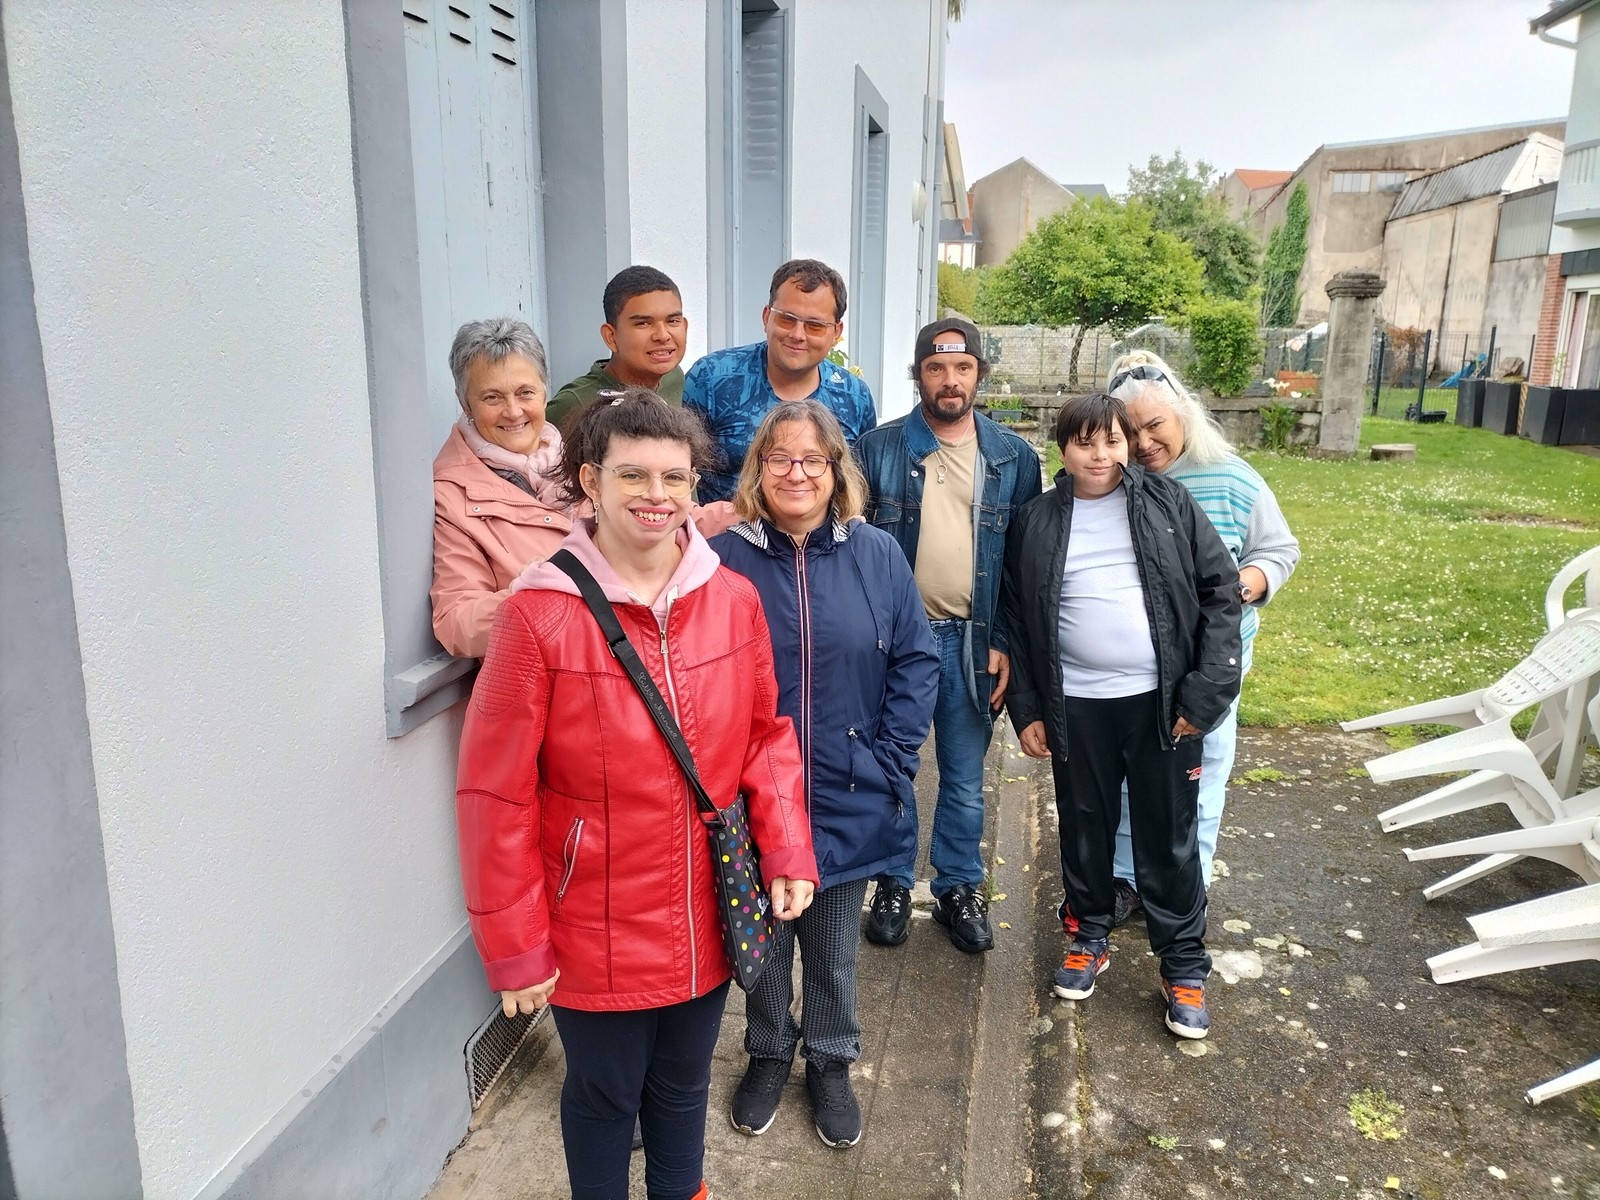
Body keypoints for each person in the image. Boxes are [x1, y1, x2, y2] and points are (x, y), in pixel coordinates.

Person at [454, 388, 819, 1200]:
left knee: (684, 1087)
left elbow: (766, 737)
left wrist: (789, 847)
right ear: (591, 482)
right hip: (591, 924)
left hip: (706, 910)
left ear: (696, 486)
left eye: (675, 478)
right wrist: (516, 949)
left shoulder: (733, 601)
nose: (657, 496)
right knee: (606, 1094)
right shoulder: (538, 616)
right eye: (634, 476)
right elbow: (496, 796)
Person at [710, 401, 937, 1149]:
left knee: (835, 950)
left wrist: (892, 758)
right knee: (766, 946)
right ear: (759, 470)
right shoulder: (724, 558)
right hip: (752, 798)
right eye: (780, 459)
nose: (797, 473)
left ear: (837, 469)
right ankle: (771, 1048)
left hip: (846, 790)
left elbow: (915, 659)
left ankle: (832, 1058)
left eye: (813, 459)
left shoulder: (875, 553)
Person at [1002, 392, 1241, 1039]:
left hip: (1163, 709)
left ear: (1124, 444)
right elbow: (1017, 620)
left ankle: (1184, 967)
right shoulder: (1038, 520)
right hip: (1075, 706)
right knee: (1086, 831)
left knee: (1169, 840)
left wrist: (1205, 693)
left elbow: (1222, 593)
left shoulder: (1169, 505)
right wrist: (1026, 707)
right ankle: (1088, 938)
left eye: (1110, 440)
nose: (1100, 454)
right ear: (1063, 450)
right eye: (1085, 443)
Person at [853, 317, 1042, 954]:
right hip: (895, 645)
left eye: (963, 369)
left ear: (979, 375)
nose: (950, 380)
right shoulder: (876, 450)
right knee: (893, 770)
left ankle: (960, 885)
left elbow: (1020, 564)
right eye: (937, 368)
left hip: (972, 641)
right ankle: (893, 883)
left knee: (964, 777)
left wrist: (1006, 639)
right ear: (920, 375)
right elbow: (850, 548)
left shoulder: (1013, 457)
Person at [1105, 350, 1300, 915]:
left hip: (1214, 658)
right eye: (1130, 431)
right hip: (1139, 660)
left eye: (1155, 425)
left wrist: (1246, 583)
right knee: (1129, 769)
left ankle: (1189, 881)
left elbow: (1278, 548)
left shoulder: (1232, 478)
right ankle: (1124, 879)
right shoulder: (1114, 484)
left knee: (1203, 767)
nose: (1144, 443)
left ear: (1182, 414)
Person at [431, 317, 574, 659]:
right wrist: (535, 593)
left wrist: (729, 514)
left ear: (545, 390)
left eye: (525, 393)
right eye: (492, 397)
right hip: (550, 686)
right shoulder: (451, 495)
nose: (513, 412)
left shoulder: (580, 458)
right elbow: (456, 624)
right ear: (465, 402)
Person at [684, 259, 876, 503]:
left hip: (821, 540)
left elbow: (857, 487)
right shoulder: (712, 379)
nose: (797, 335)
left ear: (836, 333)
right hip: (722, 538)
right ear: (767, 317)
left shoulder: (854, 397)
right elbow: (678, 474)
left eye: (815, 326)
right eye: (786, 319)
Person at [545, 265, 689, 433]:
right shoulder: (574, 403)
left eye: (672, 321)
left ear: (685, 327)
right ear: (611, 337)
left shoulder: (674, 377)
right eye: (643, 323)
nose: (663, 336)